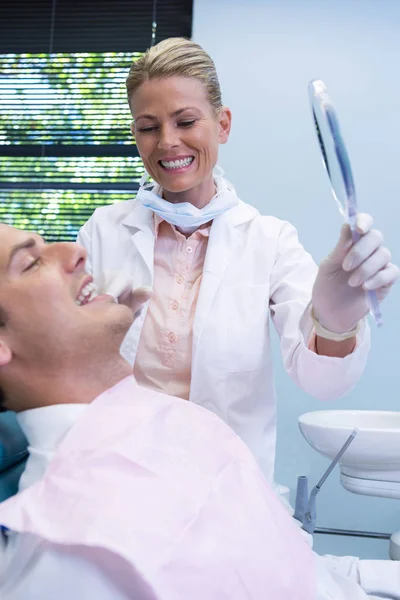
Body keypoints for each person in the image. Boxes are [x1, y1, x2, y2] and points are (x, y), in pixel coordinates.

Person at [0, 224, 399, 600]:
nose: (77, 252)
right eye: (30, 263)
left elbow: (279, 566)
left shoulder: (173, 422)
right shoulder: (70, 547)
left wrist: (333, 326)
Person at [77, 37, 398, 483]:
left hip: (223, 487)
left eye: (185, 120)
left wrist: (335, 321)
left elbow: (323, 383)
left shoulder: (270, 240)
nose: (167, 142)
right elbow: (70, 361)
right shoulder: (102, 231)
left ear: (222, 124)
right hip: (116, 475)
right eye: (147, 127)